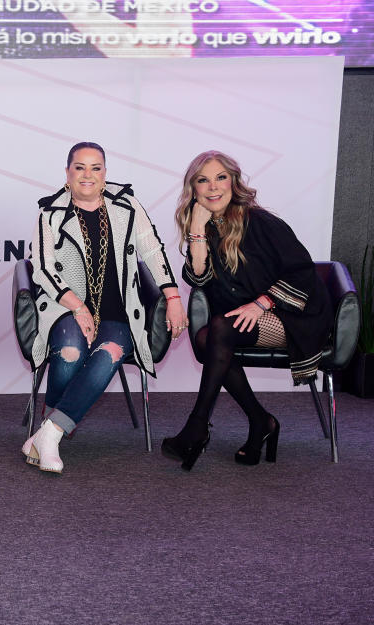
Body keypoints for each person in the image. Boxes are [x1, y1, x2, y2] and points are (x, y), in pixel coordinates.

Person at [22, 142, 187, 474]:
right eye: (79, 167)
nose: (88, 175)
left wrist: (173, 298)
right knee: (70, 348)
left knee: (110, 350)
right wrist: (78, 307)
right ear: (67, 174)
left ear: (105, 174)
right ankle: (48, 433)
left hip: (118, 312)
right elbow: (42, 267)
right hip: (65, 308)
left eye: (95, 168)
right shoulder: (50, 212)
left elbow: (153, 250)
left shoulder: (126, 205)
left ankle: (49, 431)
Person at [162, 151, 333, 470]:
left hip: (296, 314)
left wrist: (261, 303)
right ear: (194, 189)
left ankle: (197, 426)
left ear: (234, 182)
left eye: (220, 177)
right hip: (247, 317)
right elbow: (198, 277)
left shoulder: (261, 221)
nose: (213, 187)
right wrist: (197, 229)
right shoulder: (208, 227)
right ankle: (261, 421)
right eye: (203, 180)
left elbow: (303, 272)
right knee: (205, 339)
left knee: (218, 330)